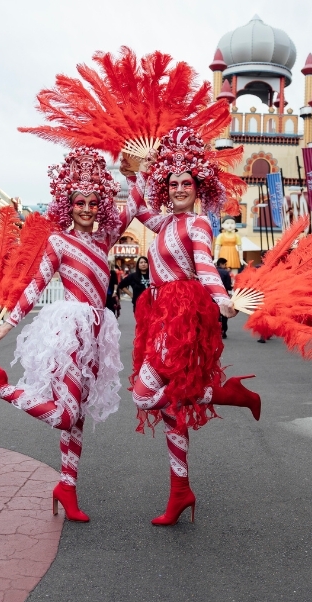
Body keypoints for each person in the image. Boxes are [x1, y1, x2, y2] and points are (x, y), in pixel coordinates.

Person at [0, 147, 139, 522]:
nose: (87, 209)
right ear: (68, 204)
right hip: (68, 333)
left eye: (94, 202)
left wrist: (136, 172)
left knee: (76, 419)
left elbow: (135, 205)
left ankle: (67, 488)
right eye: (80, 202)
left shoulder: (106, 238)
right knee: (64, 415)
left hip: (95, 333)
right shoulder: (59, 242)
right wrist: (7, 324)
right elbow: (36, 285)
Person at [129, 127, 261, 526]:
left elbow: (205, 264)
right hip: (158, 312)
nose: (179, 188)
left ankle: (224, 394)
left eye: (186, 182)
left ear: (197, 186)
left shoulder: (198, 224)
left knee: (144, 394)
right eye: (172, 183)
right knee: (172, 407)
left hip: (181, 313)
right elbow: (136, 207)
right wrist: (139, 169)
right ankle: (180, 491)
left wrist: (222, 299)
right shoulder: (164, 222)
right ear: (166, 188)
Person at [216, 258, 233, 339]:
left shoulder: (212, 272)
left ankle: (216, 329)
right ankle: (223, 331)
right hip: (223, 295)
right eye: (225, 264)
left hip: (213, 295)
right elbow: (228, 286)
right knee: (224, 313)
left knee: (215, 313)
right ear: (221, 264)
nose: (225, 266)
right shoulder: (226, 273)